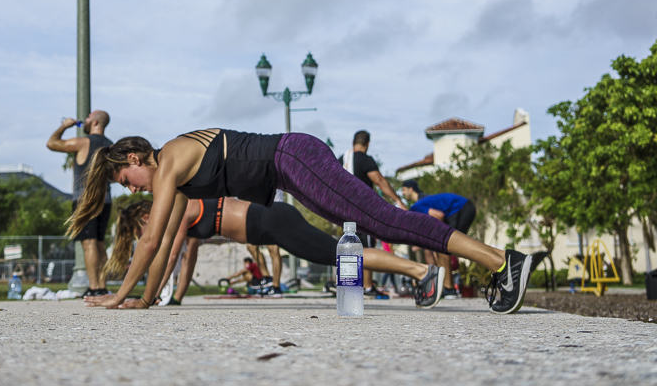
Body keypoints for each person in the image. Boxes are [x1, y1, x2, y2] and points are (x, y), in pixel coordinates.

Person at [72, 129, 542, 314]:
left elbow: (151, 240)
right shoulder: (174, 180)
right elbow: (166, 240)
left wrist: (117, 297)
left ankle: (503, 261)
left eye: (125, 178)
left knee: (386, 219)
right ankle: (480, 265)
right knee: (373, 225)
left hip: (291, 156)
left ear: (135, 156)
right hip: (292, 169)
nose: (131, 188)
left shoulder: (171, 157)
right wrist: (146, 299)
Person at [106, 197, 446, 307]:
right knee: (337, 255)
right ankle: (420, 273)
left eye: (142, 230)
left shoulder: (178, 209)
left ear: (147, 217)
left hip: (271, 221)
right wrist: (175, 298)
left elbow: (169, 254)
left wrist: (148, 298)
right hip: (269, 221)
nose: (146, 235)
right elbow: (188, 255)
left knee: (338, 255)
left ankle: (421, 272)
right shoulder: (186, 211)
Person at [46, 110, 113, 297]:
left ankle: (95, 288)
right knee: (100, 244)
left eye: (90, 117)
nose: (86, 119)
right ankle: (102, 285)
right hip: (105, 198)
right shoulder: (111, 146)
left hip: (85, 199)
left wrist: (64, 126)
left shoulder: (83, 142)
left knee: (89, 243)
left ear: (96, 122)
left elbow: (51, 144)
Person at [339, 130, 406, 295]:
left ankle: (346, 283)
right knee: (366, 247)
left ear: (353, 142)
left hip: (344, 210)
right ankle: (367, 286)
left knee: (349, 246)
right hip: (363, 210)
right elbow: (380, 181)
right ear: (367, 144)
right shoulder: (365, 159)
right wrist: (398, 200)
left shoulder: (342, 159)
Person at [401, 180, 477, 299]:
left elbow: (439, 215)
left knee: (444, 245)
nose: (402, 193)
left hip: (460, 208)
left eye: (403, 190)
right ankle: (447, 286)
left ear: (411, 189)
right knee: (442, 246)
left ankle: (449, 288)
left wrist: (439, 235)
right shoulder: (423, 201)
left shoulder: (416, 207)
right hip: (463, 207)